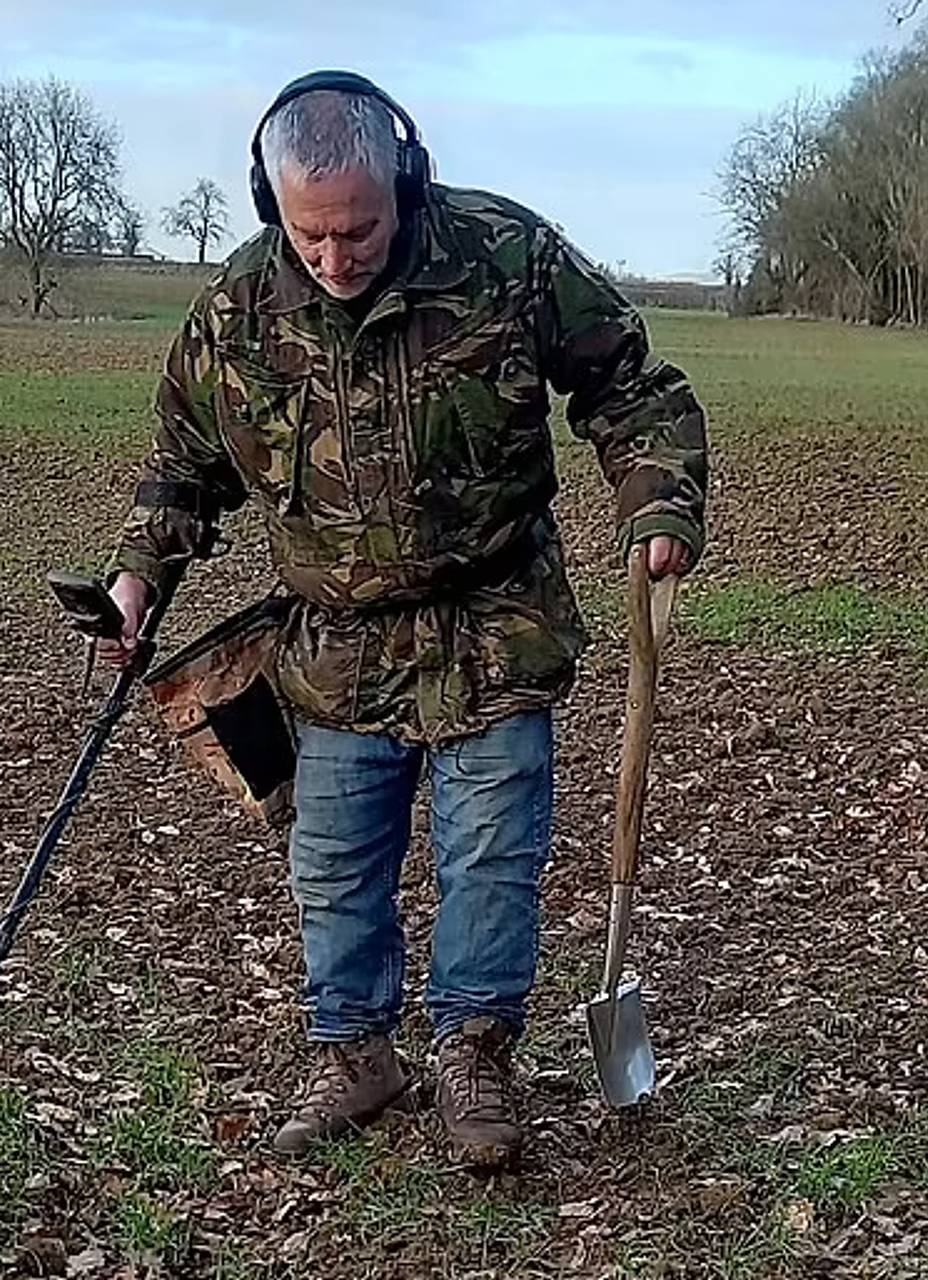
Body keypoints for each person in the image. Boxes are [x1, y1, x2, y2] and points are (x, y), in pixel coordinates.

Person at [99, 70, 707, 1169]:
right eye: (310, 233)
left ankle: (473, 1052)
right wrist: (136, 580)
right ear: (266, 201)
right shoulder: (235, 314)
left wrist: (656, 499)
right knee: (332, 861)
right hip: (333, 646)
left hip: (494, 619)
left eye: (359, 228)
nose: (335, 257)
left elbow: (627, 384)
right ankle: (355, 1051)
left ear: (406, 179)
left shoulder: (504, 257)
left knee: (488, 856)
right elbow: (183, 469)